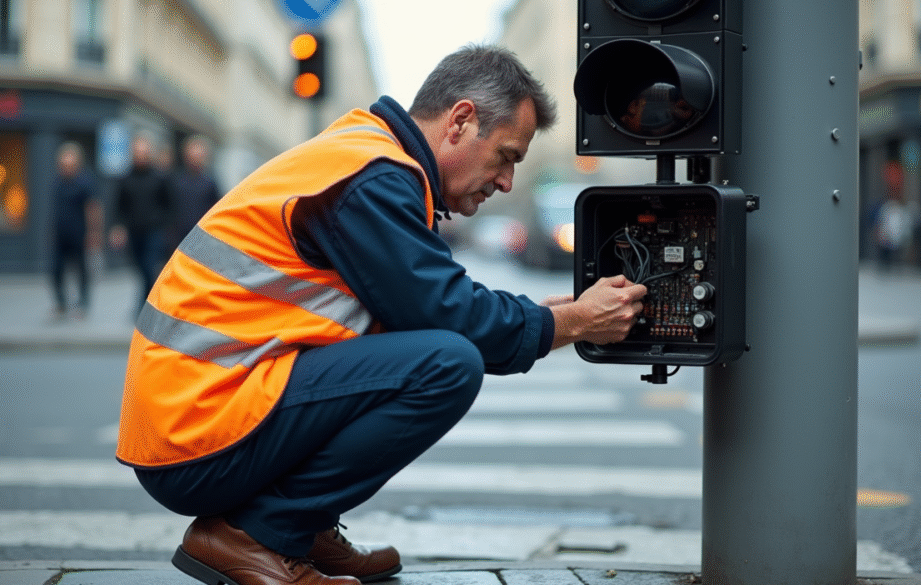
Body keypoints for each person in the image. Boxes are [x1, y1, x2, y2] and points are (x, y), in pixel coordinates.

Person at [116, 45, 647, 585]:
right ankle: (259, 534)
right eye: (507, 156)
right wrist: (573, 323)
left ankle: (303, 525)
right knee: (447, 363)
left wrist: (542, 315)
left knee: (424, 344)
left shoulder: (368, 158)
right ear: (460, 121)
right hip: (199, 431)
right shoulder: (372, 175)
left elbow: (424, 303)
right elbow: (450, 317)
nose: (507, 181)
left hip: (199, 413)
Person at [109, 133, 173, 316]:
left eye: (144, 152)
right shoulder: (126, 177)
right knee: (139, 266)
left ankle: (144, 305)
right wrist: (118, 228)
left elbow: (168, 204)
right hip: (133, 231)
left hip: (154, 231)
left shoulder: (159, 177)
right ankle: (149, 302)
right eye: (137, 152)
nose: (140, 155)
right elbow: (119, 206)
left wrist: (164, 224)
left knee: (148, 265)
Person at [50, 141, 100, 319]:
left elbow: (93, 208)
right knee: (56, 269)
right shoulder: (57, 182)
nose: (67, 168)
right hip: (60, 234)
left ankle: (83, 304)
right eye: (64, 165)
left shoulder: (85, 182)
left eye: (70, 164)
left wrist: (93, 233)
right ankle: (61, 304)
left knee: (82, 270)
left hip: (80, 234)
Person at [166, 134, 221, 253]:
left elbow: (215, 209)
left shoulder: (210, 183)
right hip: (177, 235)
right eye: (193, 153)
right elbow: (167, 205)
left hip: (200, 236)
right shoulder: (176, 180)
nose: (195, 157)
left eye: (199, 155)